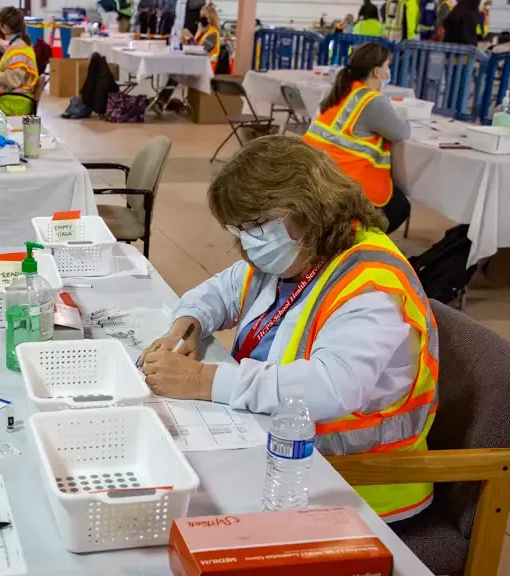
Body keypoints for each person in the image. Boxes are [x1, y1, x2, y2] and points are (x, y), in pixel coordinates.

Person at [139, 136, 437, 522]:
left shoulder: (371, 284)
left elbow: (331, 388)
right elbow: (220, 291)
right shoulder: (296, 252)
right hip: (283, 454)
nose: (249, 240)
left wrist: (202, 379)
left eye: (258, 224)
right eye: (240, 227)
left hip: (355, 485)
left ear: (309, 207)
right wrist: (188, 324)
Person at [303, 42, 411, 234]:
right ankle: (355, 241)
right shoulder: (371, 100)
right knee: (401, 206)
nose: (389, 71)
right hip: (346, 187)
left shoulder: (341, 91)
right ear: (377, 72)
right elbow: (400, 132)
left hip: (318, 178)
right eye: (387, 66)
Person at [0, 7, 40, 116]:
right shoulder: (18, 44)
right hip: (14, 97)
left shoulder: (18, 49)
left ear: (5, 27)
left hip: (14, 102)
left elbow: (13, 80)